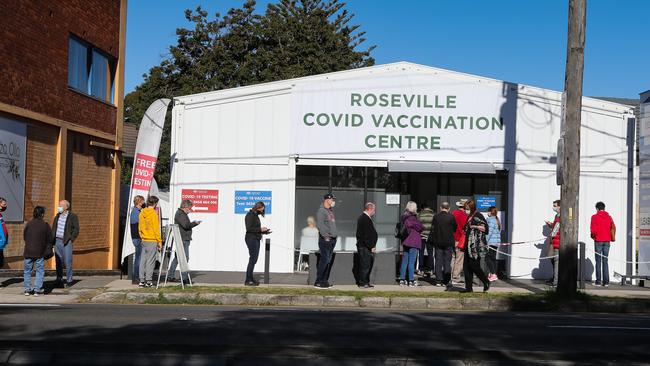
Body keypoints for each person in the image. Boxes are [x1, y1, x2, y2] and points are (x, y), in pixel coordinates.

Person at [168, 200, 201, 283]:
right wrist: (195, 223)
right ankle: (185, 278)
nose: (190, 210)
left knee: (177, 258)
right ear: (185, 207)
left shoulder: (181, 214)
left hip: (182, 239)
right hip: (183, 239)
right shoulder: (181, 214)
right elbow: (186, 225)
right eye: (189, 208)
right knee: (185, 258)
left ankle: (170, 276)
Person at [23, 206, 53, 296]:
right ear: (42, 214)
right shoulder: (45, 225)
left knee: (27, 271)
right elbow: (50, 239)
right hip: (40, 252)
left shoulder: (29, 224)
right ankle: (37, 290)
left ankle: (27, 289)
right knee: (39, 271)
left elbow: (25, 236)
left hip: (28, 251)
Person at [462, 199, 490, 292]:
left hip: (475, 247)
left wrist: (475, 226)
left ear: (472, 208)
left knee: (474, 265)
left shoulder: (478, 215)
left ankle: (486, 281)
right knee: (466, 268)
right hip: (467, 246)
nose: (466, 210)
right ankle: (468, 288)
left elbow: (485, 229)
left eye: (467, 208)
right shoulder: (469, 216)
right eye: (465, 208)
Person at [52, 200, 79, 288]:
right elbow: (54, 228)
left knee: (68, 261)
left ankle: (69, 280)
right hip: (57, 241)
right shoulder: (57, 216)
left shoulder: (72, 216)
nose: (59, 207)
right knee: (58, 261)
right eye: (59, 205)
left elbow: (76, 229)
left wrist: (71, 239)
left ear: (66, 207)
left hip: (66, 241)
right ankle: (59, 279)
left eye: (61, 205)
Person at [430, 202, 457, 288]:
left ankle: (438, 280)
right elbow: (455, 228)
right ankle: (446, 280)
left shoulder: (436, 217)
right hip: (448, 242)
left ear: (441, 208)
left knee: (438, 261)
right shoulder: (451, 217)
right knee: (447, 261)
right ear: (448, 208)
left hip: (438, 242)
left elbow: (433, 228)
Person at [398, 201, 424, 287]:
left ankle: (402, 279)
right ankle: (411, 280)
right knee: (411, 262)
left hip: (406, 241)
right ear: (413, 208)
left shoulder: (404, 217)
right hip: (413, 242)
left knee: (405, 261)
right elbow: (421, 227)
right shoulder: (412, 218)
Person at [315, 193, 338, 289]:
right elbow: (320, 225)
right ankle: (318, 281)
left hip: (332, 239)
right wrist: (325, 236)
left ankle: (324, 281)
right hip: (326, 240)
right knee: (324, 260)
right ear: (327, 200)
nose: (333, 201)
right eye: (332, 199)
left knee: (328, 261)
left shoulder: (330, 211)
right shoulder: (321, 211)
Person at [590, 201, 616, 287]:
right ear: (604, 208)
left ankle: (598, 281)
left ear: (597, 209)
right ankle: (606, 282)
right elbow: (613, 227)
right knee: (605, 261)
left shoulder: (594, 217)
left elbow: (593, 230)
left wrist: (593, 236)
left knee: (598, 261)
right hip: (607, 241)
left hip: (598, 240)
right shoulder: (609, 217)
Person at [138, 196, 162, 288]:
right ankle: (149, 281)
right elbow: (156, 230)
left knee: (143, 260)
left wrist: (142, 236)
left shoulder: (142, 213)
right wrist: (159, 241)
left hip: (144, 239)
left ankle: (141, 281)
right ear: (155, 204)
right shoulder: (153, 214)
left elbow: (139, 227)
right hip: (152, 240)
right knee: (150, 261)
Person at [244, 202, 269, 286]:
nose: (263, 211)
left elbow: (255, 229)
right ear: (258, 207)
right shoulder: (250, 215)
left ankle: (251, 278)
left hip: (255, 238)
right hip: (251, 239)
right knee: (252, 259)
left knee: (254, 260)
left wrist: (264, 232)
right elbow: (249, 228)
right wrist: (260, 229)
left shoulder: (255, 215)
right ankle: (248, 280)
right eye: (262, 209)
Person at [356, 202, 378, 288]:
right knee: (365, 265)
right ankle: (362, 283)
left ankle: (366, 282)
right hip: (365, 247)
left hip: (366, 246)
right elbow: (366, 235)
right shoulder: (364, 218)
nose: (374, 212)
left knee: (367, 265)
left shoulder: (365, 218)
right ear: (370, 209)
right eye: (374, 210)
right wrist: (371, 246)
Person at [451, 199, 468, 282]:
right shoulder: (465, 216)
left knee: (453, 257)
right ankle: (455, 275)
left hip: (452, 239)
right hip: (460, 239)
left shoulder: (453, 213)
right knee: (459, 259)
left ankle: (450, 273)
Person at [545, 199, 561, 287]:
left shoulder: (560, 216)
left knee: (556, 262)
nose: (553, 207)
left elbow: (556, 229)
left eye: (555, 206)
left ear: (560, 206)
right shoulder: (557, 216)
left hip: (556, 241)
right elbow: (555, 227)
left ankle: (556, 281)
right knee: (552, 259)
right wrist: (550, 224)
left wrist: (552, 234)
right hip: (554, 241)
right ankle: (555, 278)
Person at [130, 195, 145, 281]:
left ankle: (137, 276)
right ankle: (136, 276)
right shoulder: (136, 212)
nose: (144, 203)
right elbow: (139, 223)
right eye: (142, 201)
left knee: (139, 257)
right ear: (139, 202)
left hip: (137, 237)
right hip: (137, 237)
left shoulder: (138, 211)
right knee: (139, 257)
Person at [417, 203, 435, 276]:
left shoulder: (420, 214)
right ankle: (430, 269)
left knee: (421, 253)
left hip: (421, 236)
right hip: (430, 236)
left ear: (423, 208)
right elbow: (434, 226)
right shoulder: (433, 214)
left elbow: (417, 225)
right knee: (430, 253)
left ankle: (421, 269)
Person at [485, 206, 502, 282]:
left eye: (488, 211)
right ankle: (493, 274)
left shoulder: (491, 220)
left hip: (491, 243)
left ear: (490, 212)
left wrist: (485, 242)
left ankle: (493, 274)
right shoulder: (496, 220)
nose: (487, 213)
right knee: (492, 258)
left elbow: (489, 232)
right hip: (495, 243)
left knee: (487, 258)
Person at [0, 197, 8, 268]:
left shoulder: (0, 215)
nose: (5, 206)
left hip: (1, 244)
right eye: (4, 204)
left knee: (1, 263)